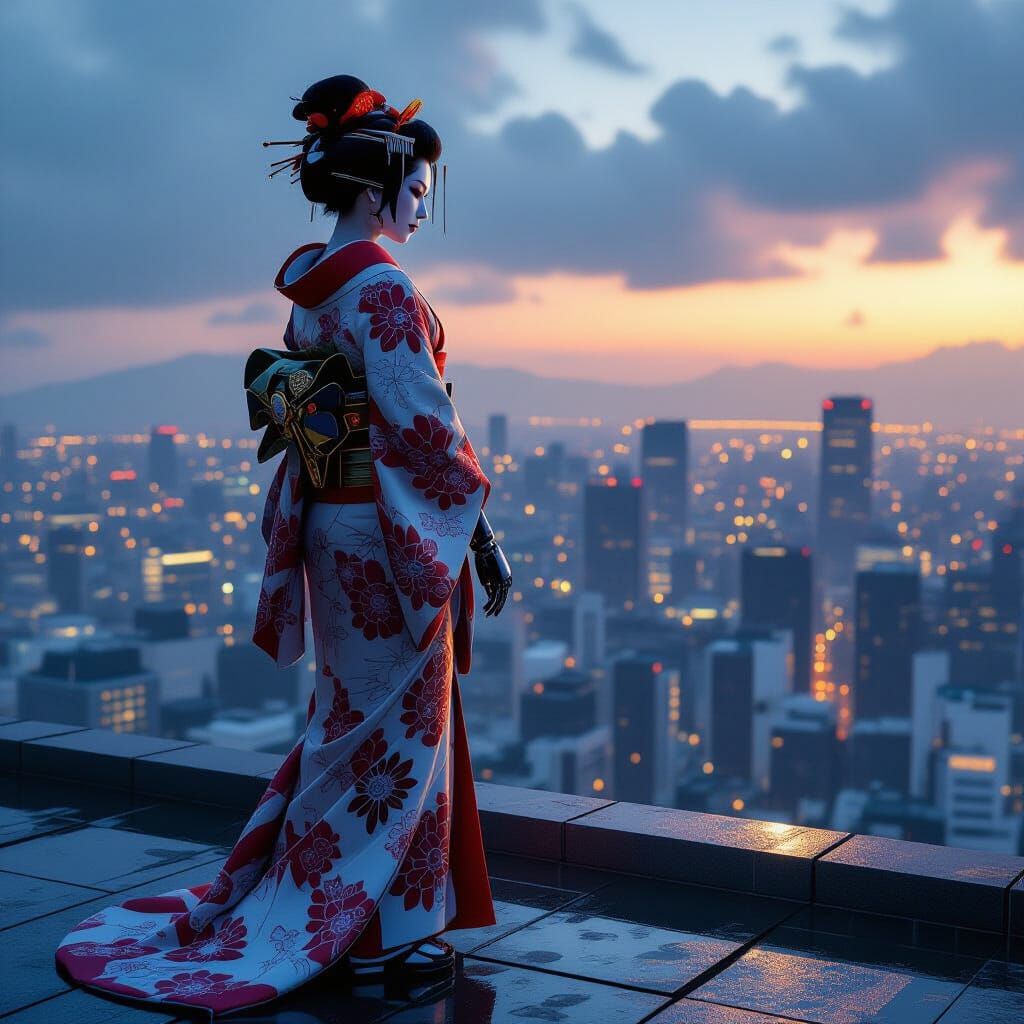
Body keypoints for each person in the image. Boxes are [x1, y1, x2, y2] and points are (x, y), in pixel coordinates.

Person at [53, 75, 512, 1018]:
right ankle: (373, 932)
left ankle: (338, 907)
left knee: (350, 720)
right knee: (395, 732)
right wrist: (480, 531)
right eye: (416, 191)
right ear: (378, 187)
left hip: (332, 524)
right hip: (387, 531)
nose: (422, 207)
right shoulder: (383, 286)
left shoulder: (311, 287)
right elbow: (426, 425)